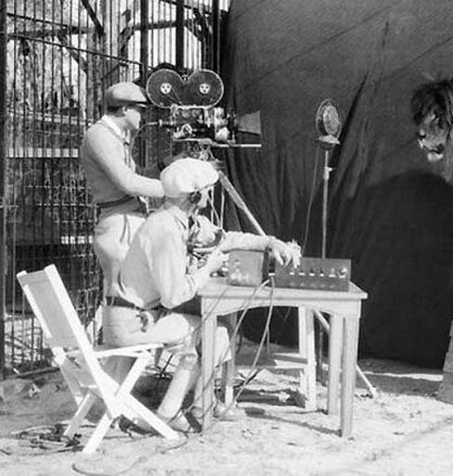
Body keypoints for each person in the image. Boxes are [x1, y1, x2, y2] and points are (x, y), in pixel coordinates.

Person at [103, 157, 301, 431]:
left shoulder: (183, 222)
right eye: (207, 190)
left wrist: (270, 243)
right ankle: (173, 411)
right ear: (193, 195)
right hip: (130, 323)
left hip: (141, 316)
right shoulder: (164, 230)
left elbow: (227, 238)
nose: (209, 194)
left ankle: (198, 403)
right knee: (215, 333)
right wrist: (208, 268)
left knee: (218, 330)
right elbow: (173, 297)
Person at [80, 81, 166, 298]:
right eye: (141, 110)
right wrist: (174, 188)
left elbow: (137, 176)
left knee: (135, 299)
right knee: (123, 301)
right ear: (125, 108)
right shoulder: (99, 135)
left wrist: (165, 165)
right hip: (118, 226)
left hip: (129, 221)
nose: (143, 116)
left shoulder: (115, 136)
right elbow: (127, 183)